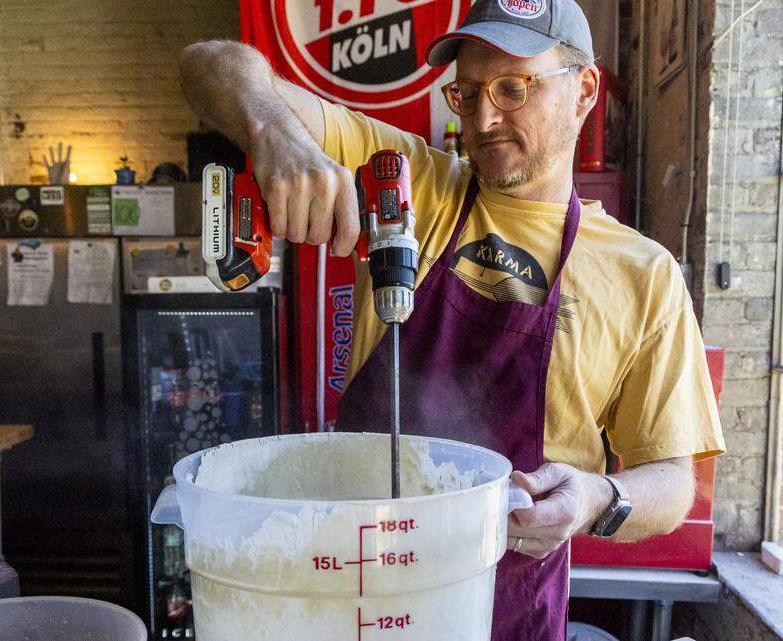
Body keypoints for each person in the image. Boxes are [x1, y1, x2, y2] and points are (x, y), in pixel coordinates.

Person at [179, 1, 724, 638]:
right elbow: (208, 64)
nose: (483, 117)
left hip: (507, 610)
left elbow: (672, 483)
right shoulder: (408, 185)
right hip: (353, 593)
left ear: (584, 90)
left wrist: (594, 497)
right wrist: (277, 134)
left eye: (513, 88)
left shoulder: (642, 275)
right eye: (465, 92)